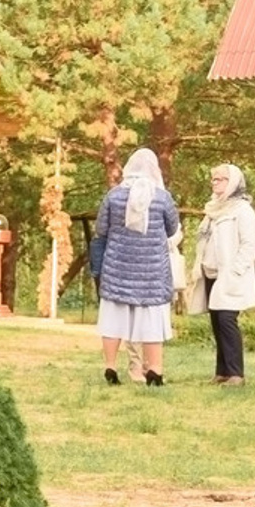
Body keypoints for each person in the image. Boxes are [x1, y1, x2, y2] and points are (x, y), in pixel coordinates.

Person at [94, 146, 181, 385]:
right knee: (152, 322)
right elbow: (173, 228)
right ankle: (155, 369)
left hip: (117, 270)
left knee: (113, 321)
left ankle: (111, 367)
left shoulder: (113, 196)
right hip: (151, 273)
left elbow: (101, 230)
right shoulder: (162, 197)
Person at [197, 163, 255, 385]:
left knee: (226, 320)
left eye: (221, 179)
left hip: (231, 275)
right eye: (213, 179)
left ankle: (236, 374)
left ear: (233, 181)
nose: (215, 183)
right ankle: (222, 371)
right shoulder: (213, 209)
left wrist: (235, 270)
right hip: (211, 273)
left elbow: (249, 245)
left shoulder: (242, 210)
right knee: (216, 321)